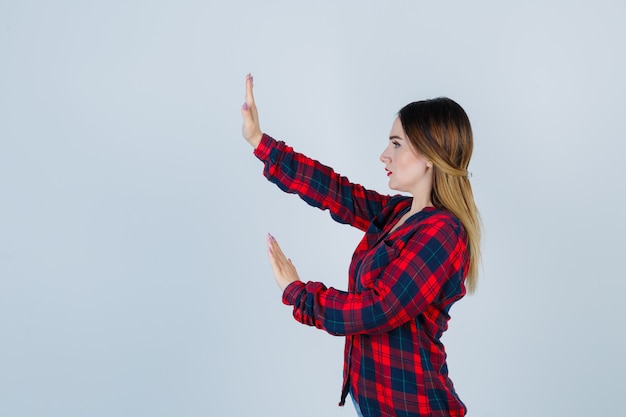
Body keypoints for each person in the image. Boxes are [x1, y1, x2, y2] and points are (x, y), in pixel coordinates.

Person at [240, 73, 480, 417]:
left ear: (430, 155)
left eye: (396, 144)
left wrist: (298, 293)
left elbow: (378, 309)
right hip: (374, 404)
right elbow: (338, 193)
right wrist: (261, 143)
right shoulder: (399, 213)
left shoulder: (443, 233)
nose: (384, 155)